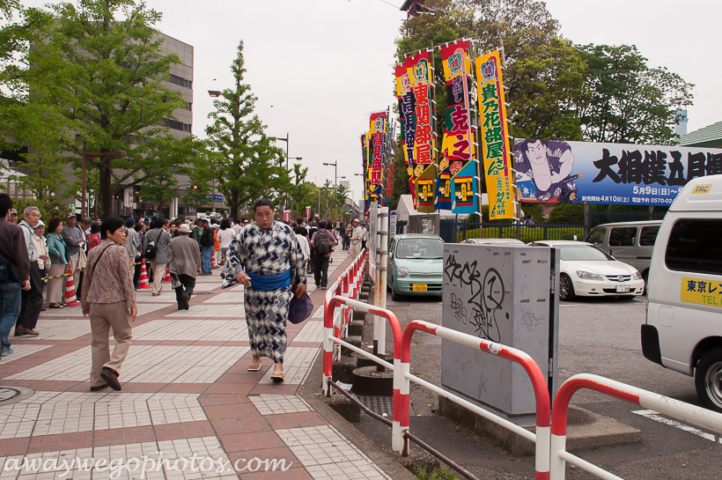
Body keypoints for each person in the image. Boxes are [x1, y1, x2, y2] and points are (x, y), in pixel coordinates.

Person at [222, 199, 306, 382]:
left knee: (277, 323)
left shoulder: (286, 231)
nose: (264, 218)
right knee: (255, 323)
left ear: (273, 212)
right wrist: (237, 273)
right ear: (254, 215)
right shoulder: (245, 232)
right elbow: (232, 253)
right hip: (254, 286)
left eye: (267, 213)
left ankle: (278, 364)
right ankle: (256, 354)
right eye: (259, 214)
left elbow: (298, 256)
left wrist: (302, 280)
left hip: (280, 286)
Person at [82, 216, 137, 392]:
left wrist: (85, 302)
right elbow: (126, 278)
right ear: (108, 232)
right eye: (121, 230)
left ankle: (97, 381)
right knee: (124, 336)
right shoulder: (120, 251)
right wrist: (132, 302)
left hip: (96, 303)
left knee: (98, 342)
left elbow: (87, 279)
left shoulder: (92, 252)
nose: (124, 234)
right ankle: (112, 367)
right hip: (116, 301)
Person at [0, 194, 31, 357]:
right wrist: (25, 276)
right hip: (10, 275)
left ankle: (4, 344)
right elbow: (21, 255)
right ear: (8, 211)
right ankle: (2, 339)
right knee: (12, 311)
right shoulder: (14, 230)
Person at [16, 207, 43, 336]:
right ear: (25, 216)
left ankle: (22, 324)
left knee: (28, 296)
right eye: (33, 215)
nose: (36, 218)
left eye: (38, 215)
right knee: (36, 295)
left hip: (30, 263)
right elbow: (24, 251)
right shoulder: (24, 230)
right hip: (29, 264)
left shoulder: (27, 229)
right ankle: (26, 324)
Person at [167, 223, 201, 310]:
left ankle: (180, 304)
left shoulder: (172, 241)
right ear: (188, 233)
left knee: (177, 286)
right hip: (189, 267)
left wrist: (168, 265)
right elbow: (197, 256)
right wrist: (198, 267)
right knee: (190, 285)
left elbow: (169, 256)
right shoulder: (193, 242)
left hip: (175, 267)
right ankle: (186, 296)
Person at [142, 218, 171, 296]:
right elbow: (170, 243)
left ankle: (158, 287)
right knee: (158, 273)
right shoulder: (165, 233)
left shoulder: (149, 232)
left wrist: (145, 253)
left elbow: (145, 244)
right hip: (162, 255)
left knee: (155, 272)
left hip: (152, 254)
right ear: (163, 225)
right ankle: (155, 289)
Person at [46, 218, 68, 309]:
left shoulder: (60, 236)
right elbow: (50, 247)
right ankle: (52, 301)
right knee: (54, 281)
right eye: (59, 225)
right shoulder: (51, 236)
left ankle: (58, 300)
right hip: (55, 261)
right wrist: (57, 254)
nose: (61, 227)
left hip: (62, 261)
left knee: (60, 281)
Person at [310, 220, 338, 290]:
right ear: (325, 226)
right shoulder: (328, 233)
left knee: (317, 269)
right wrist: (330, 246)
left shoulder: (316, 233)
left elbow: (311, 242)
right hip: (326, 254)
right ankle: (324, 285)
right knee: (325, 269)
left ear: (318, 226)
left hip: (317, 254)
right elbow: (335, 241)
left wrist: (315, 247)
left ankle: (317, 282)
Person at [61, 213, 84, 289]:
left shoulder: (77, 230)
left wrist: (78, 241)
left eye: (73, 218)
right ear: (67, 219)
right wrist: (78, 241)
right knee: (69, 275)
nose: (73, 219)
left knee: (76, 276)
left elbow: (82, 241)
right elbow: (72, 242)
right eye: (70, 218)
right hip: (70, 254)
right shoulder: (65, 230)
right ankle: (66, 295)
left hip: (78, 253)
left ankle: (73, 295)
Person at [32, 221, 50, 302]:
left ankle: (39, 302)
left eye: (42, 228)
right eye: (39, 228)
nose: (41, 230)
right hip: (36, 265)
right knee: (36, 285)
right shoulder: (32, 238)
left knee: (41, 284)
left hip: (43, 264)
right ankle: (35, 301)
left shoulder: (44, 239)